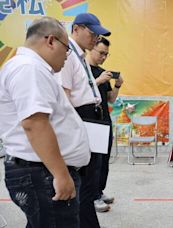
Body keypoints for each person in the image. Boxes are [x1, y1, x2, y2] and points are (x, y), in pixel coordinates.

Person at [0, 17, 90, 227]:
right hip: (43, 173)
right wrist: (61, 174)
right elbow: (35, 123)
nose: (67, 57)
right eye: (67, 49)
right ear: (50, 41)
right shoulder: (28, 68)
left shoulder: (31, 68)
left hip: (42, 171)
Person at [56, 13, 111, 227]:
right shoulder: (68, 55)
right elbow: (65, 98)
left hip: (93, 120)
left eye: (99, 35)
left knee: (90, 184)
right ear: (76, 28)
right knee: (83, 186)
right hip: (81, 120)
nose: (96, 38)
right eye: (93, 32)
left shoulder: (81, 56)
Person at [87, 37, 123, 211]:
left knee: (104, 160)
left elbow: (110, 100)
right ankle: (91, 196)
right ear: (90, 48)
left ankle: (99, 191)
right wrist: (98, 80)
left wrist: (117, 85)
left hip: (104, 121)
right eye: (101, 53)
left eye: (106, 55)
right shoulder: (83, 71)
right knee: (92, 162)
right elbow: (76, 93)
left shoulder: (103, 72)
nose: (103, 57)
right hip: (90, 122)